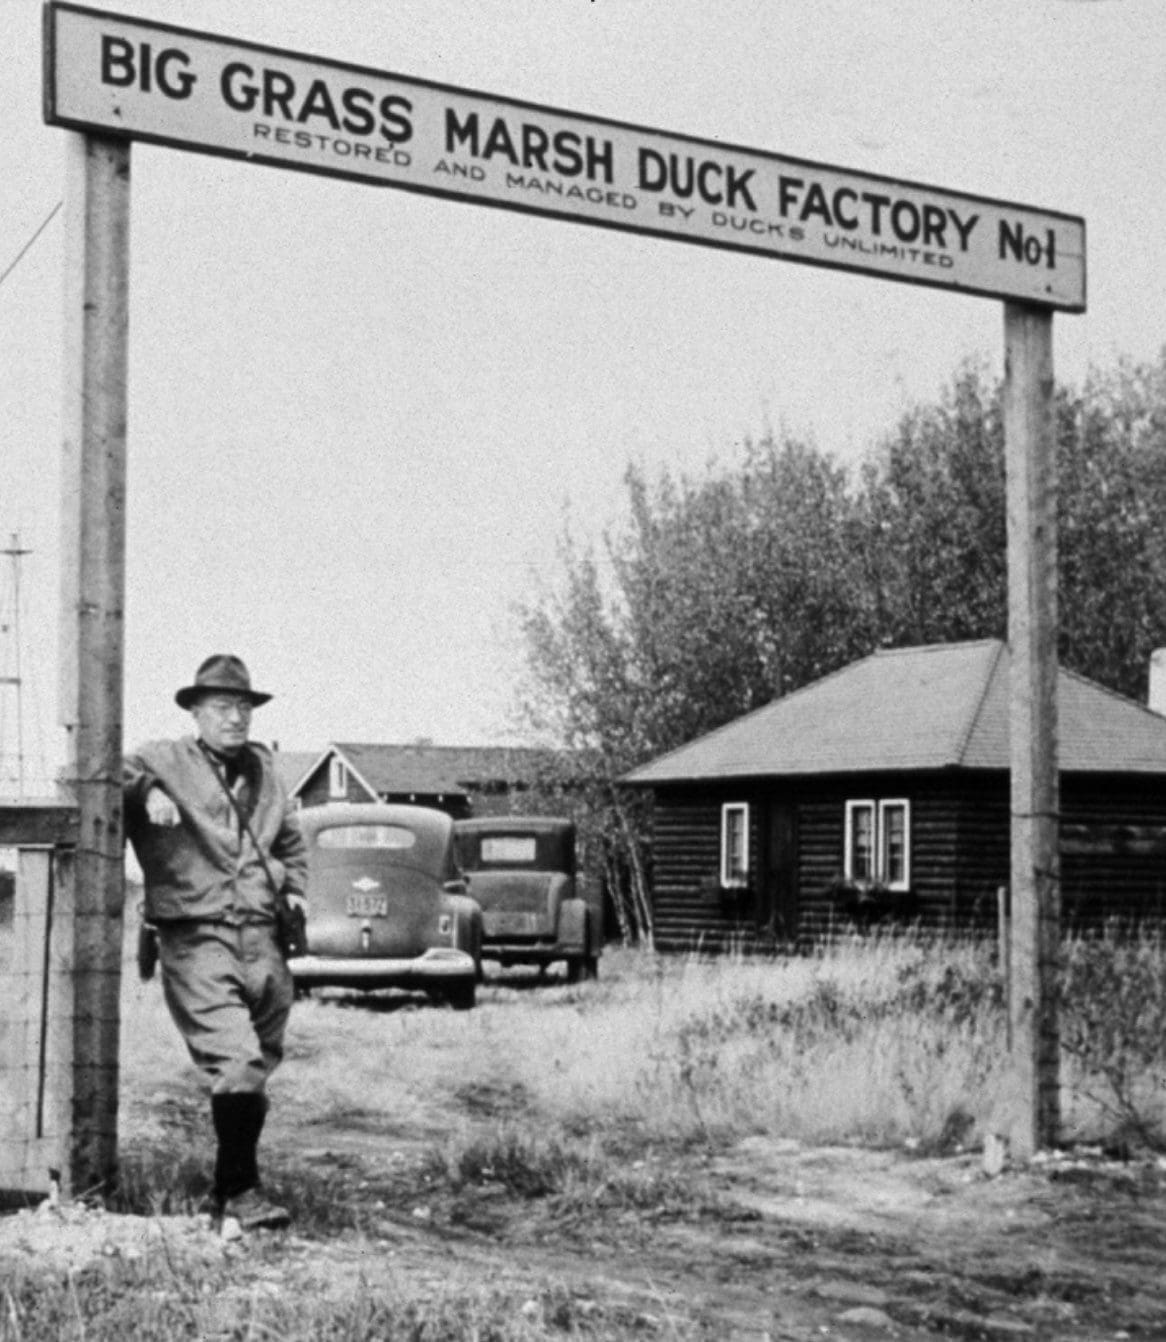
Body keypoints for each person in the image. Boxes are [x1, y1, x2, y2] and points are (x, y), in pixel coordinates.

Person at [123, 654, 307, 1231]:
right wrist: (149, 791)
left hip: (263, 936)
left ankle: (225, 1190)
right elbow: (103, 768)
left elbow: (293, 844)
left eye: (244, 706)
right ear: (196, 712)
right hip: (196, 934)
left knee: (259, 1061)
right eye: (223, 707)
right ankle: (244, 1194)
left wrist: (294, 891)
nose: (236, 718)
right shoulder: (164, 759)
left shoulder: (268, 772)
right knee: (237, 1060)